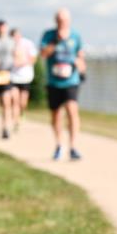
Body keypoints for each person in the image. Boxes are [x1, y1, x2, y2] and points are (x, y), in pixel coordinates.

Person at [40, 8, 85, 160]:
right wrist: (56, 41)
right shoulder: (48, 35)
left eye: (64, 20)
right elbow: (43, 54)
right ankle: (59, 145)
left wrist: (82, 70)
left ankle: (73, 146)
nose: (62, 22)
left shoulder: (75, 36)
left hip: (71, 80)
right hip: (54, 81)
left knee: (72, 110)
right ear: (56, 21)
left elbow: (80, 55)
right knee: (56, 114)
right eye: (59, 20)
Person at [10, 27, 38, 130]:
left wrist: (22, 63)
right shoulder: (9, 45)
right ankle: (15, 122)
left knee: (22, 102)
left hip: (25, 77)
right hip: (13, 77)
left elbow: (33, 58)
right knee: (14, 100)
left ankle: (21, 112)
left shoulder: (28, 43)